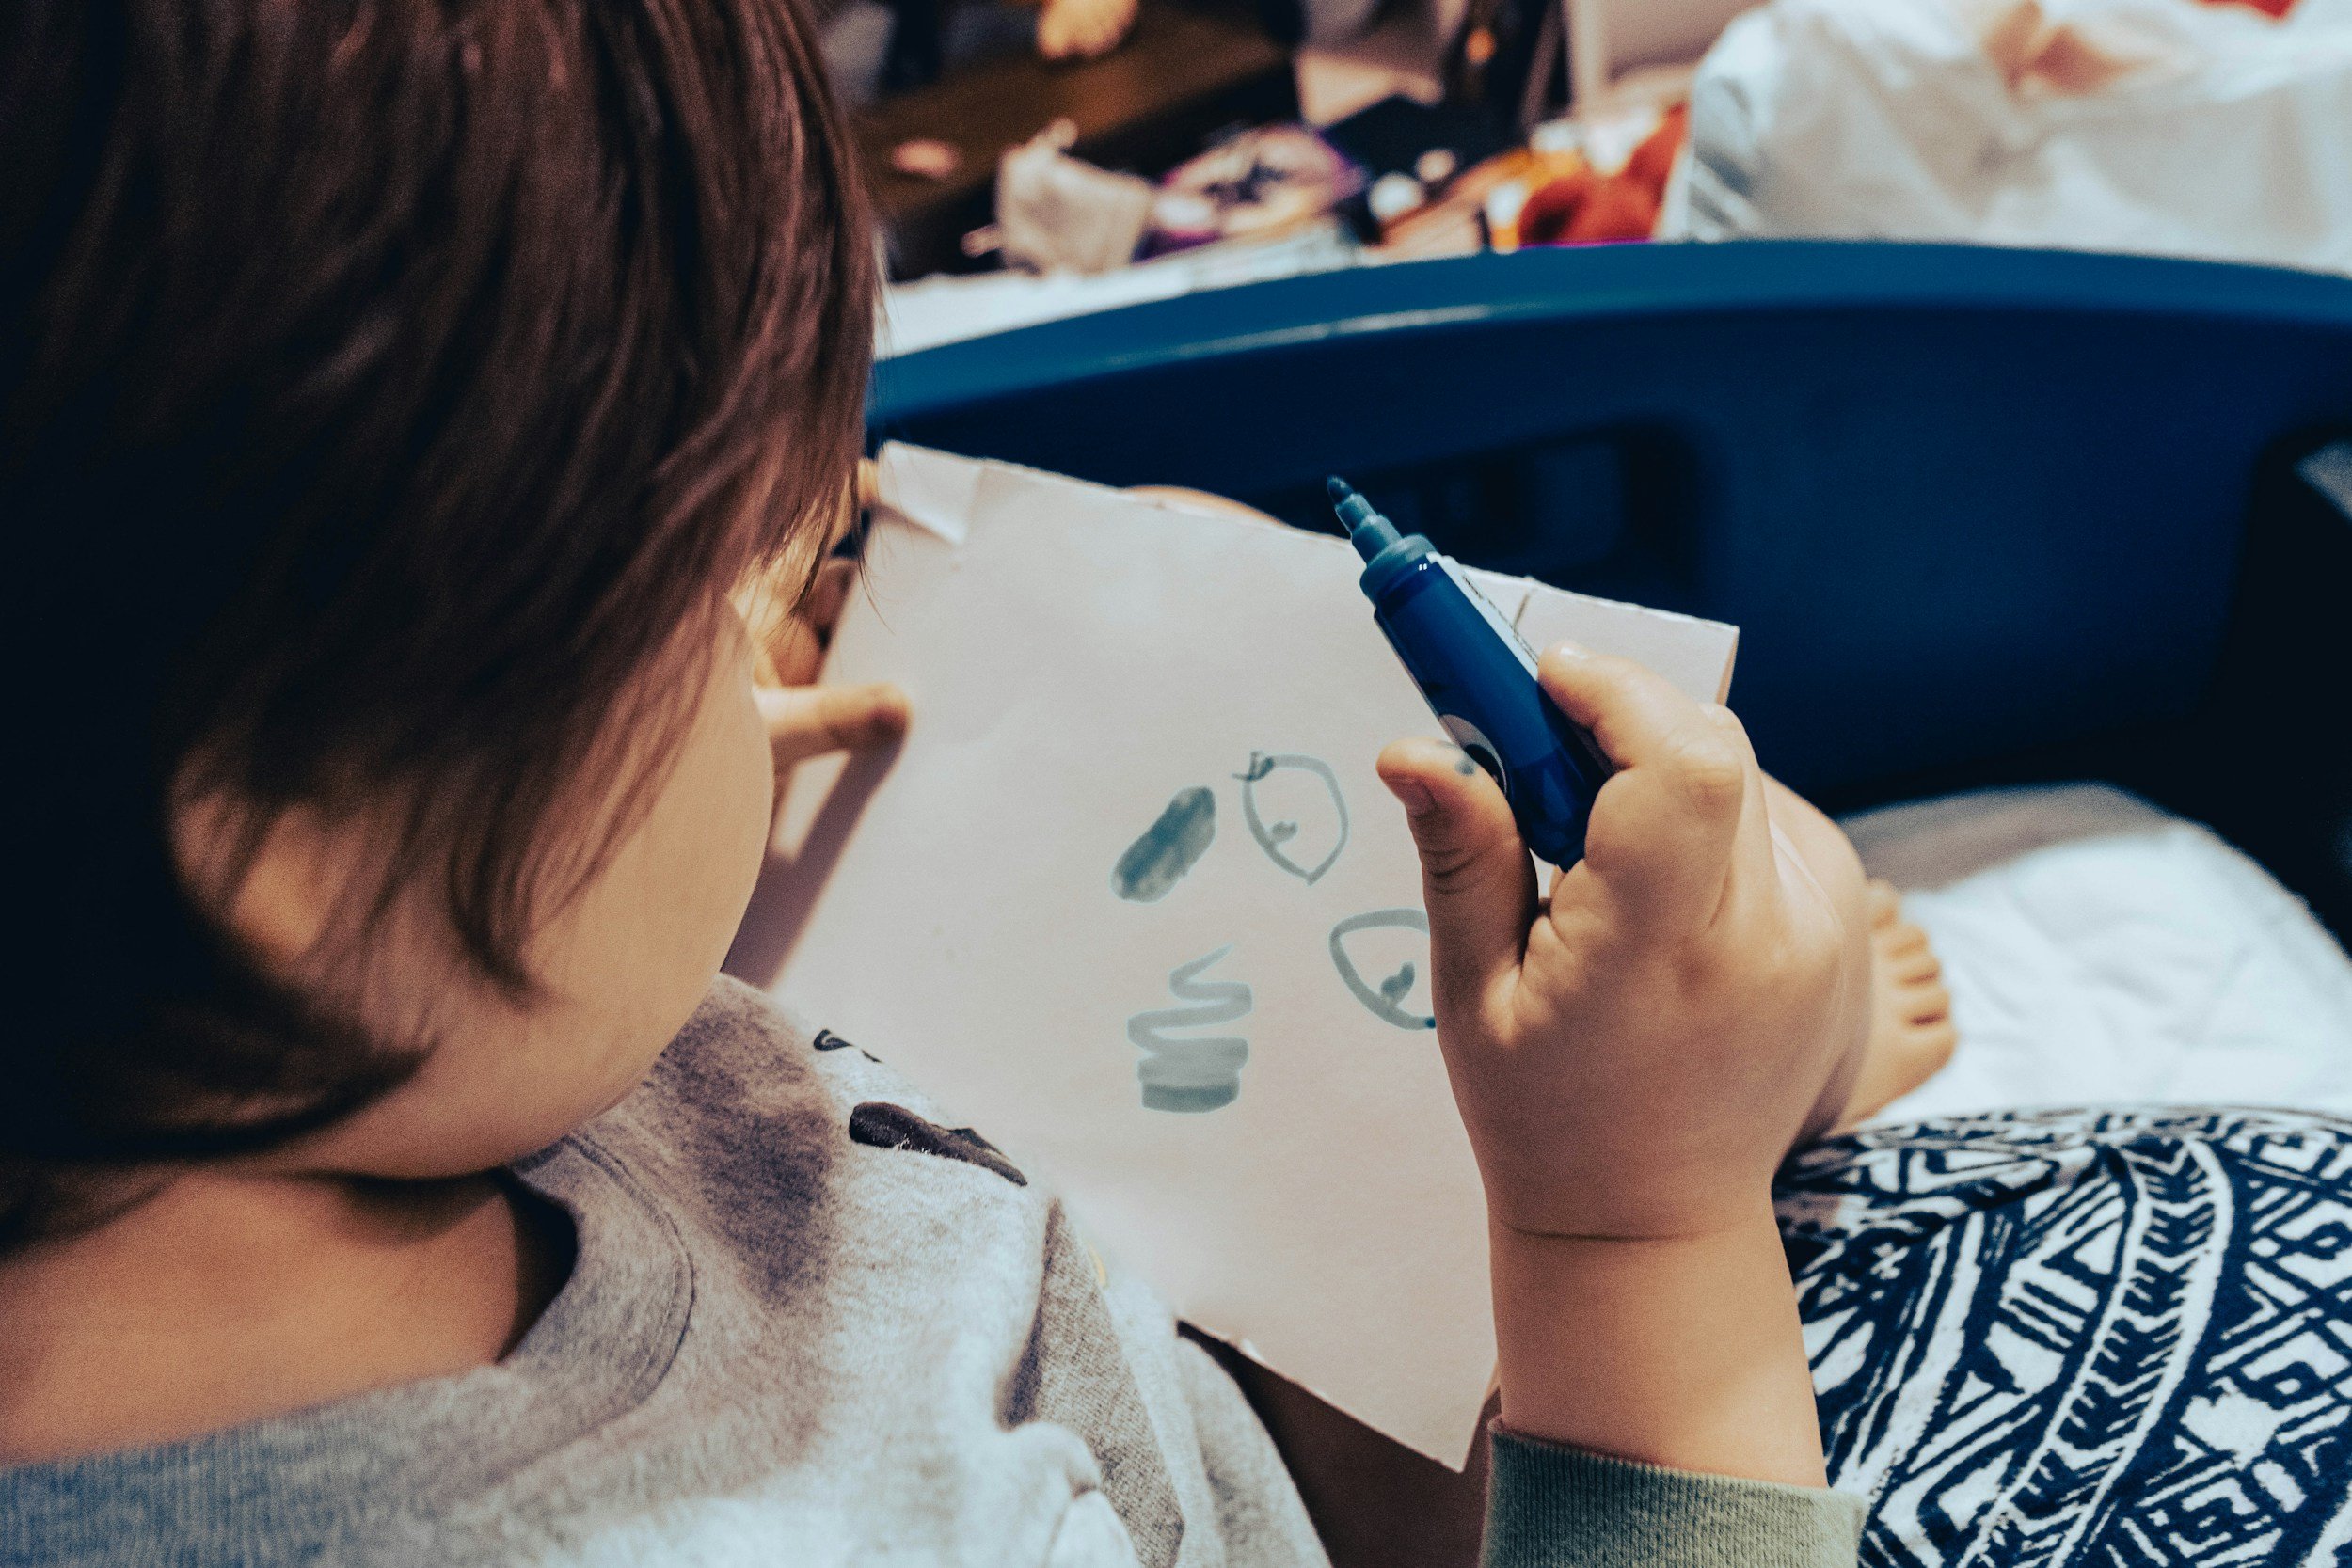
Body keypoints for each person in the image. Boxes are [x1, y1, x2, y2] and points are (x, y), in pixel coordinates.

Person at [0, 2, 1958, 1562]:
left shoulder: (228, 1031)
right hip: (1381, 1440)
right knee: (1728, 947)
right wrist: (1630, 1227)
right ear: (309, 834)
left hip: (1070, 1276)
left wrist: (515, 841)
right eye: (698, 591)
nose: (772, 607)